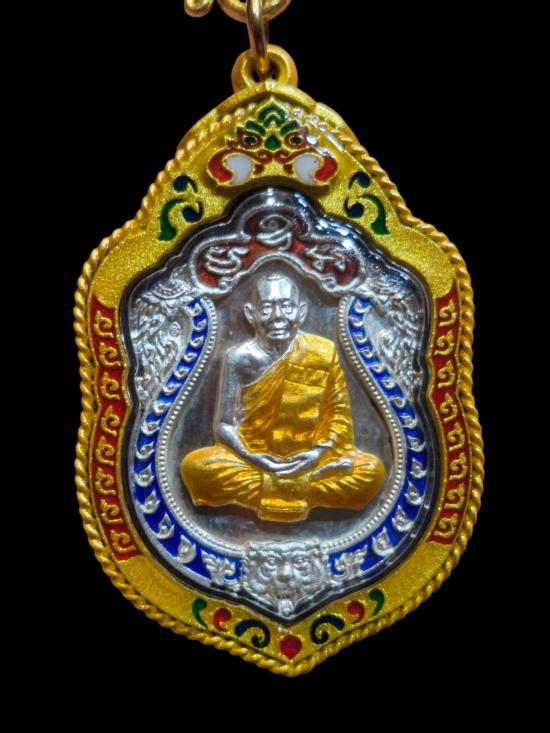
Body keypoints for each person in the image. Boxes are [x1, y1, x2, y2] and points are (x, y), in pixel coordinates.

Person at [180, 272, 385, 521]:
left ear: (301, 312)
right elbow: (223, 425)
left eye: (286, 306)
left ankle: (282, 488)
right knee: (195, 467)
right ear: (251, 314)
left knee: (371, 471)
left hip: (312, 459)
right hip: (253, 459)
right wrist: (254, 458)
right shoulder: (238, 358)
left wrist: (318, 454)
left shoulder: (322, 351)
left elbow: (338, 416)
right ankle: (303, 488)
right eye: (266, 308)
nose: (277, 316)